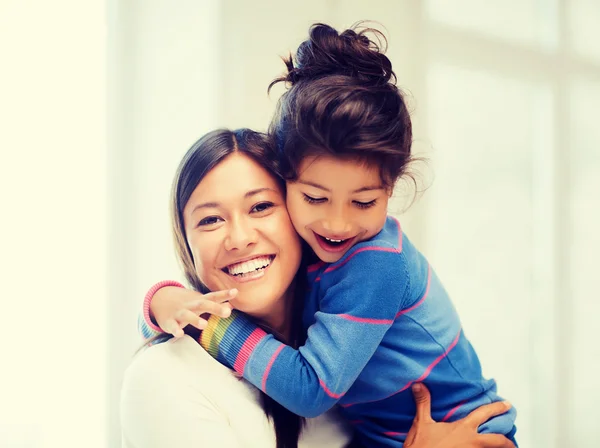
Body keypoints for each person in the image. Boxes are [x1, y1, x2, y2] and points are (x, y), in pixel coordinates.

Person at [140, 24, 517, 447]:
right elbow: (176, 319)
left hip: (466, 436)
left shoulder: (375, 263)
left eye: (363, 202)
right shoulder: (309, 253)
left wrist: (208, 325)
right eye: (316, 198)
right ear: (287, 181)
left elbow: (309, 390)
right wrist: (162, 302)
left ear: (391, 190)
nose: (338, 225)